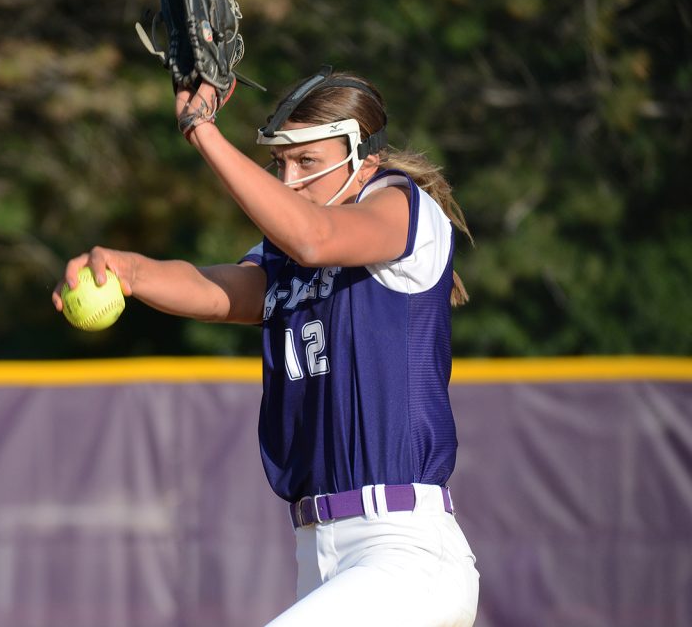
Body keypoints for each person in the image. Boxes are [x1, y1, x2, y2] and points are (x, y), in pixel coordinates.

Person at [52, 65, 480, 626]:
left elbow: (314, 238)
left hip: (402, 552)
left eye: (307, 161)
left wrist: (202, 130)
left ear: (363, 157)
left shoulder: (401, 206)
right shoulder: (291, 252)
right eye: (281, 162)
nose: (289, 179)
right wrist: (131, 272)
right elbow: (221, 294)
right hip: (318, 555)